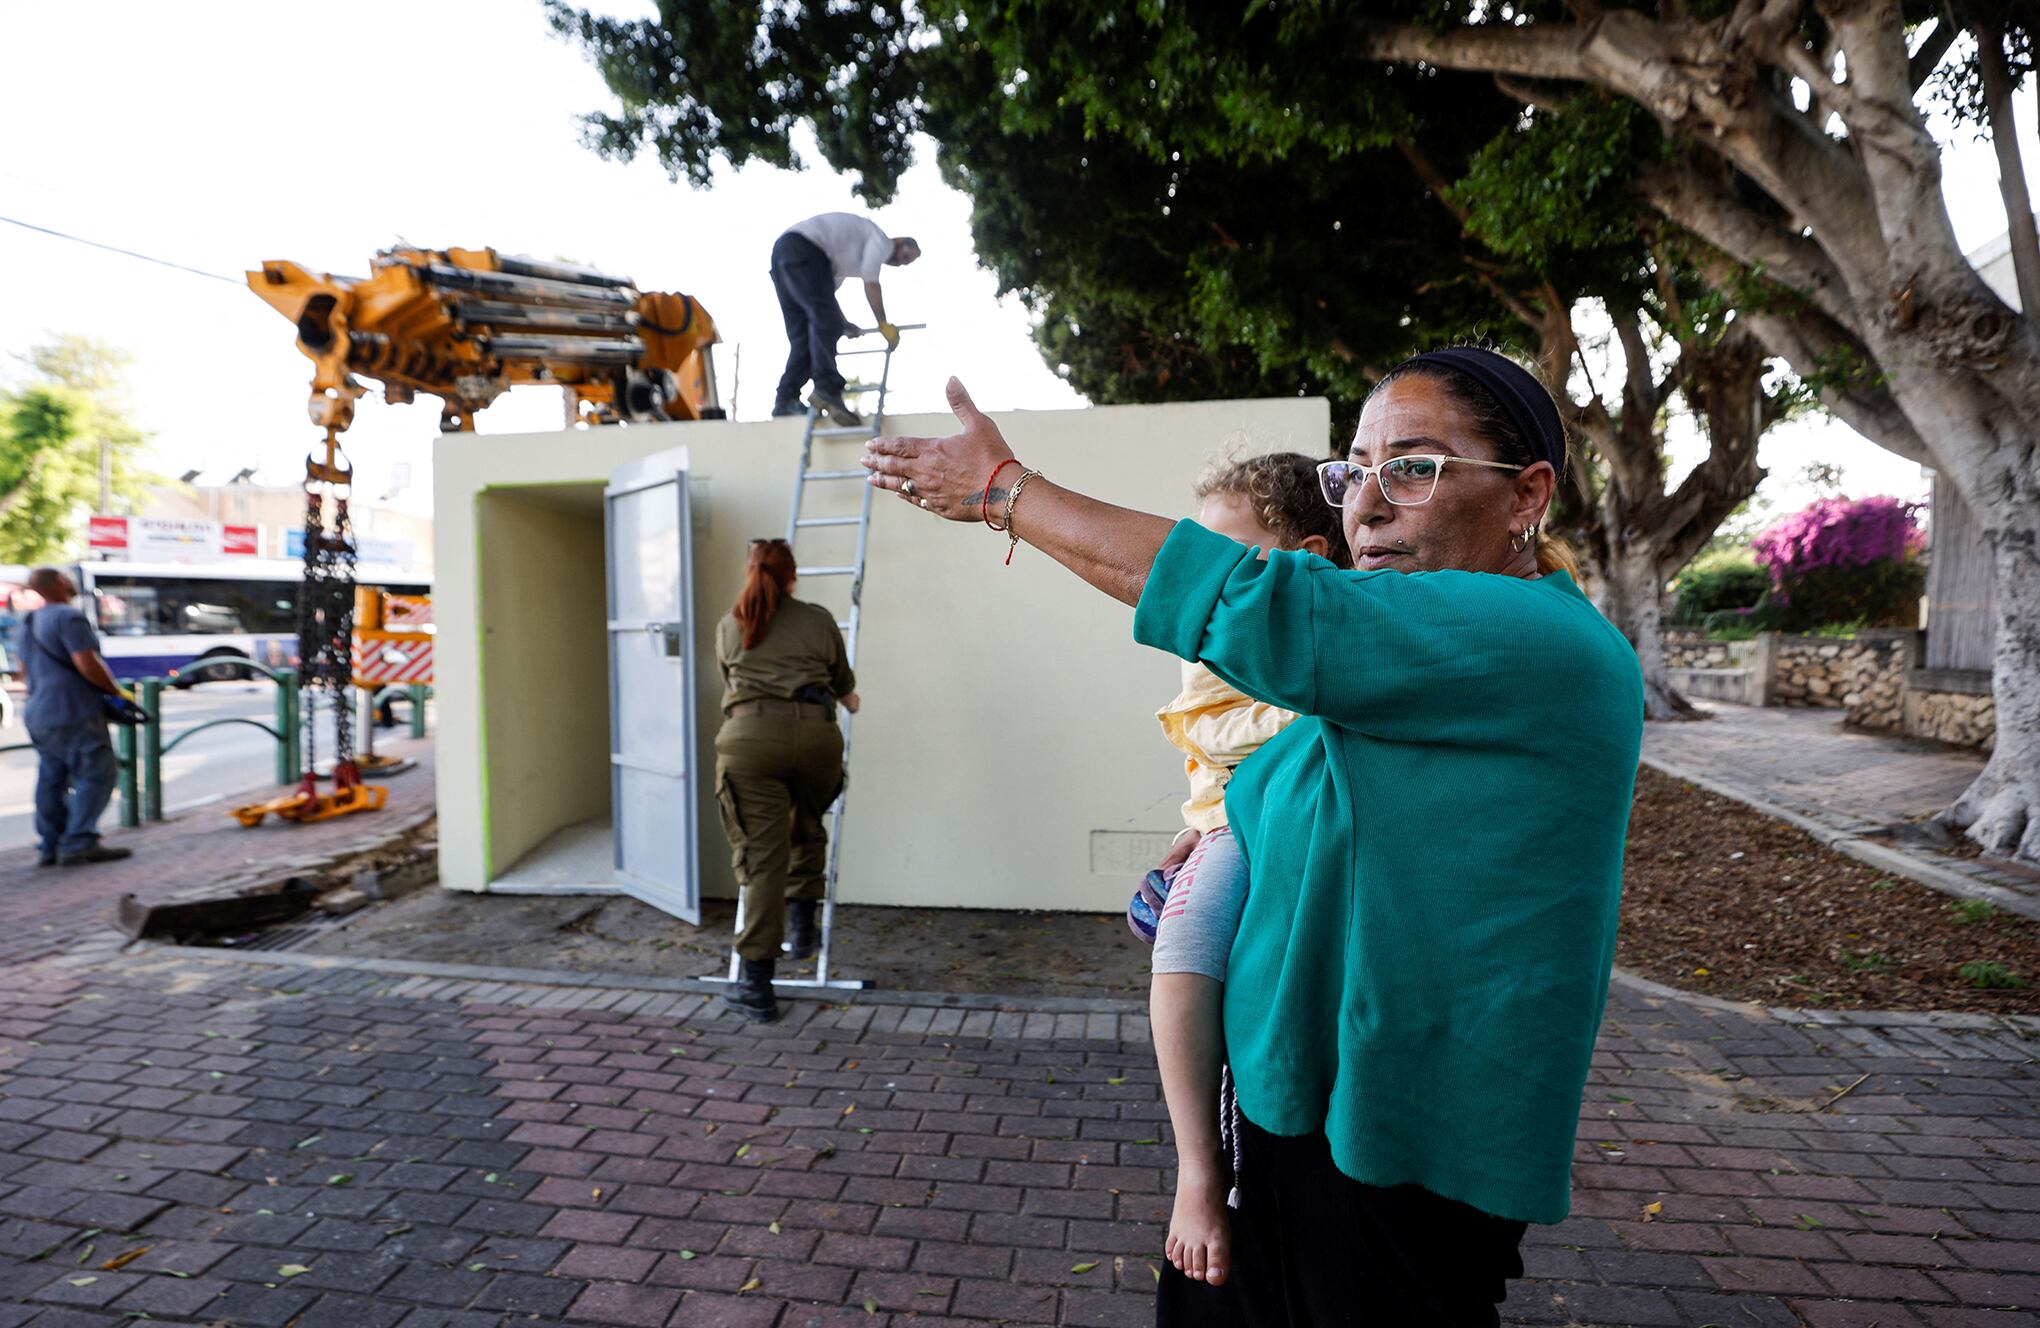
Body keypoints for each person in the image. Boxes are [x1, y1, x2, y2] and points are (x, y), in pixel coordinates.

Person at [864, 347, 1644, 1325]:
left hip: (1395, 1143)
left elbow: (1253, 605)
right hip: (1285, 1109)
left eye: (1413, 466)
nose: (1367, 505)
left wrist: (1006, 491)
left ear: (1527, 494)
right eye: (1355, 470)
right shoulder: (1412, 664)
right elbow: (1305, 780)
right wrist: (1224, 837)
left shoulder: (1538, 638)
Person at [1127, 452, 1349, 1286]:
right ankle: (1197, 1169)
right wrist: (1316, 711)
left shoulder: (1343, 618)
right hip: (1231, 824)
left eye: (1232, 555)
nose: (1213, 576)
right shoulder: (1219, 636)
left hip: (1309, 825)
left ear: (1309, 557)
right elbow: (1214, 730)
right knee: (1184, 954)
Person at [714, 538, 860, 1023]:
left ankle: (757, 984)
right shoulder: (818, 620)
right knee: (806, 821)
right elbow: (843, 684)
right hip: (817, 741)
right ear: (792, 576)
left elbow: (732, 682)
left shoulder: (731, 623)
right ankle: (802, 928)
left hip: (751, 742)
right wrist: (847, 699)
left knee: (763, 858)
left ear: (749, 572)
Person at [22, 567, 134, 867]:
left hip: (38, 711)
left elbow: (24, 670)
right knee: (98, 775)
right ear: (60, 583)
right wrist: (116, 693)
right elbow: (87, 663)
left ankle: (50, 845)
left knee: (51, 778)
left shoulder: (29, 621)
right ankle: (79, 842)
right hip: (73, 710)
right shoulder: (69, 617)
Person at [770, 212, 920, 426]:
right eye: (905, 256)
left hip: (784, 254)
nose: (901, 262)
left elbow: (826, 298)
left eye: (907, 263)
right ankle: (827, 389)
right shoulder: (880, 241)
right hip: (805, 249)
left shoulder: (843, 257)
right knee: (826, 324)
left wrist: (843, 324)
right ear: (899, 241)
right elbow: (871, 283)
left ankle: (785, 400)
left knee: (803, 337)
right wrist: (883, 324)